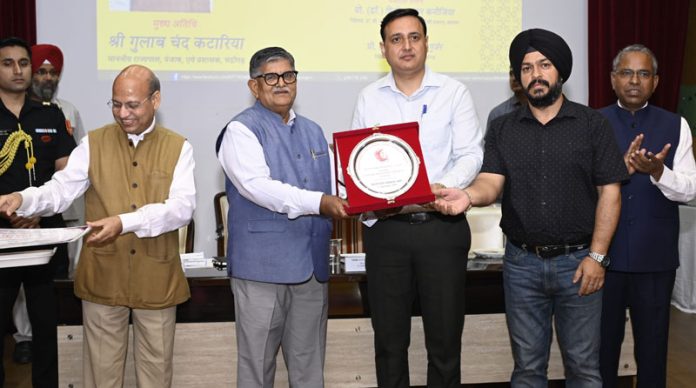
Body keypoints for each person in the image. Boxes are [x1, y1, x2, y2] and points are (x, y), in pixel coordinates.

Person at [432, 28, 629, 387]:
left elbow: (610, 193)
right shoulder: (503, 127)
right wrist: (466, 195)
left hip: (579, 264)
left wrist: (598, 257)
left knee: (584, 369)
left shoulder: (592, 125)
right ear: (518, 78)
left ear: (560, 72)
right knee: (527, 370)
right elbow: (491, 182)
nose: (535, 75)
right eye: (525, 68)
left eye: (544, 65)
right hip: (521, 265)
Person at [0, 64, 195, 388]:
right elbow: (61, 190)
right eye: (116, 104)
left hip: (157, 278)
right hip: (103, 277)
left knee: (156, 376)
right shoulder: (94, 143)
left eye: (132, 104)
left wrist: (124, 222)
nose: (123, 113)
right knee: (101, 377)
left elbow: (181, 209)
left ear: (155, 100)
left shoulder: (178, 146)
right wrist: (23, 198)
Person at [351, 8, 483, 387]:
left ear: (426, 43)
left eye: (414, 37)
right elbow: (358, 162)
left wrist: (439, 189)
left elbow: (471, 153)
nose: (406, 46)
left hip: (441, 228)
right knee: (389, 343)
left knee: (444, 343)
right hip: (387, 232)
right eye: (396, 39)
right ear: (383, 48)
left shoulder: (453, 92)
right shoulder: (368, 98)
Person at [215, 46, 348, 387]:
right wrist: (321, 201)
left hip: (311, 270)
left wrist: (376, 181)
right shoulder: (241, 130)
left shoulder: (315, 131)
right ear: (253, 86)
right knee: (257, 370)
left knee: (309, 370)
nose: (281, 83)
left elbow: (339, 185)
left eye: (288, 75)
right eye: (270, 77)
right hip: (262, 270)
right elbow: (260, 188)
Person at [598, 44, 696, 388]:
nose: (634, 81)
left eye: (643, 74)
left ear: (655, 82)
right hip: (602, 259)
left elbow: (690, 188)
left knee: (653, 351)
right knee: (601, 351)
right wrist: (616, 170)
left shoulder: (676, 125)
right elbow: (580, 187)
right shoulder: (594, 122)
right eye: (626, 73)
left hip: (654, 259)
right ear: (613, 79)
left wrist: (659, 172)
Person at [0, 36, 75, 388]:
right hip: (2, 234)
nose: (18, 70)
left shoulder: (50, 114)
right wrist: (11, 211)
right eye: (8, 63)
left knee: (47, 323)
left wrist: (37, 210)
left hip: (44, 231)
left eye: (24, 63)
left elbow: (66, 172)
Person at [10, 43, 88, 367]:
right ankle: (23, 337)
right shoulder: (16, 111)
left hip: (61, 213)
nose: (46, 77)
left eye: (51, 72)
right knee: (20, 289)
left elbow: (76, 165)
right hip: (16, 216)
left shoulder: (64, 111)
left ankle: (62, 335)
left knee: (57, 283)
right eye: (41, 70)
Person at [485, 68, 527, 133]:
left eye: (518, 73)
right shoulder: (498, 114)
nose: (514, 78)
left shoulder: (541, 111)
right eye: (511, 74)